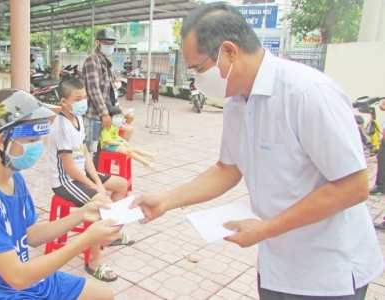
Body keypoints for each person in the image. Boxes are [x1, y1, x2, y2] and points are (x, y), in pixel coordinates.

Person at [130, 3, 383, 299]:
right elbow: (227, 169)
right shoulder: (236, 103)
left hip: (330, 270)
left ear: (229, 52)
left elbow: (352, 187)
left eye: (198, 68)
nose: (196, 79)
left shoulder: (307, 93)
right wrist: (166, 200)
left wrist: (267, 228)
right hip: (277, 265)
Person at [0, 88, 122, 300]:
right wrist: (84, 240)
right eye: (31, 140)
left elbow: (31, 235)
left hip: (26, 281)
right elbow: (17, 278)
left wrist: (81, 214)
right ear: (0, 141)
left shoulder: (13, 177)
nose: (38, 148)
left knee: (102, 295)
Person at [50, 78, 134, 282]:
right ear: (64, 101)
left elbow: (86, 154)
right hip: (65, 181)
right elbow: (69, 167)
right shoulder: (61, 127)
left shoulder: (78, 120)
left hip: (81, 174)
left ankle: (110, 233)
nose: (83, 102)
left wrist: (96, 181)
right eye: (78, 98)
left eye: (84, 97)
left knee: (121, 184)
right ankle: (93, 261)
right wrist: (94, 187)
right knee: (103, 204)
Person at [82, 27, 118, 167]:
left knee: (99, 149)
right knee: (90, 151)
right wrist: (104, 113)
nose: (109, 46)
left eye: (112, 43)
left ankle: (95, 179)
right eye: (106, 43)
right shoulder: (93, 60)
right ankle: (86, 182)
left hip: (105, 113)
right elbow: (93, 89)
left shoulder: (106, 61)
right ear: (98, 42)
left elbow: (109, 89)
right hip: (94, 115)